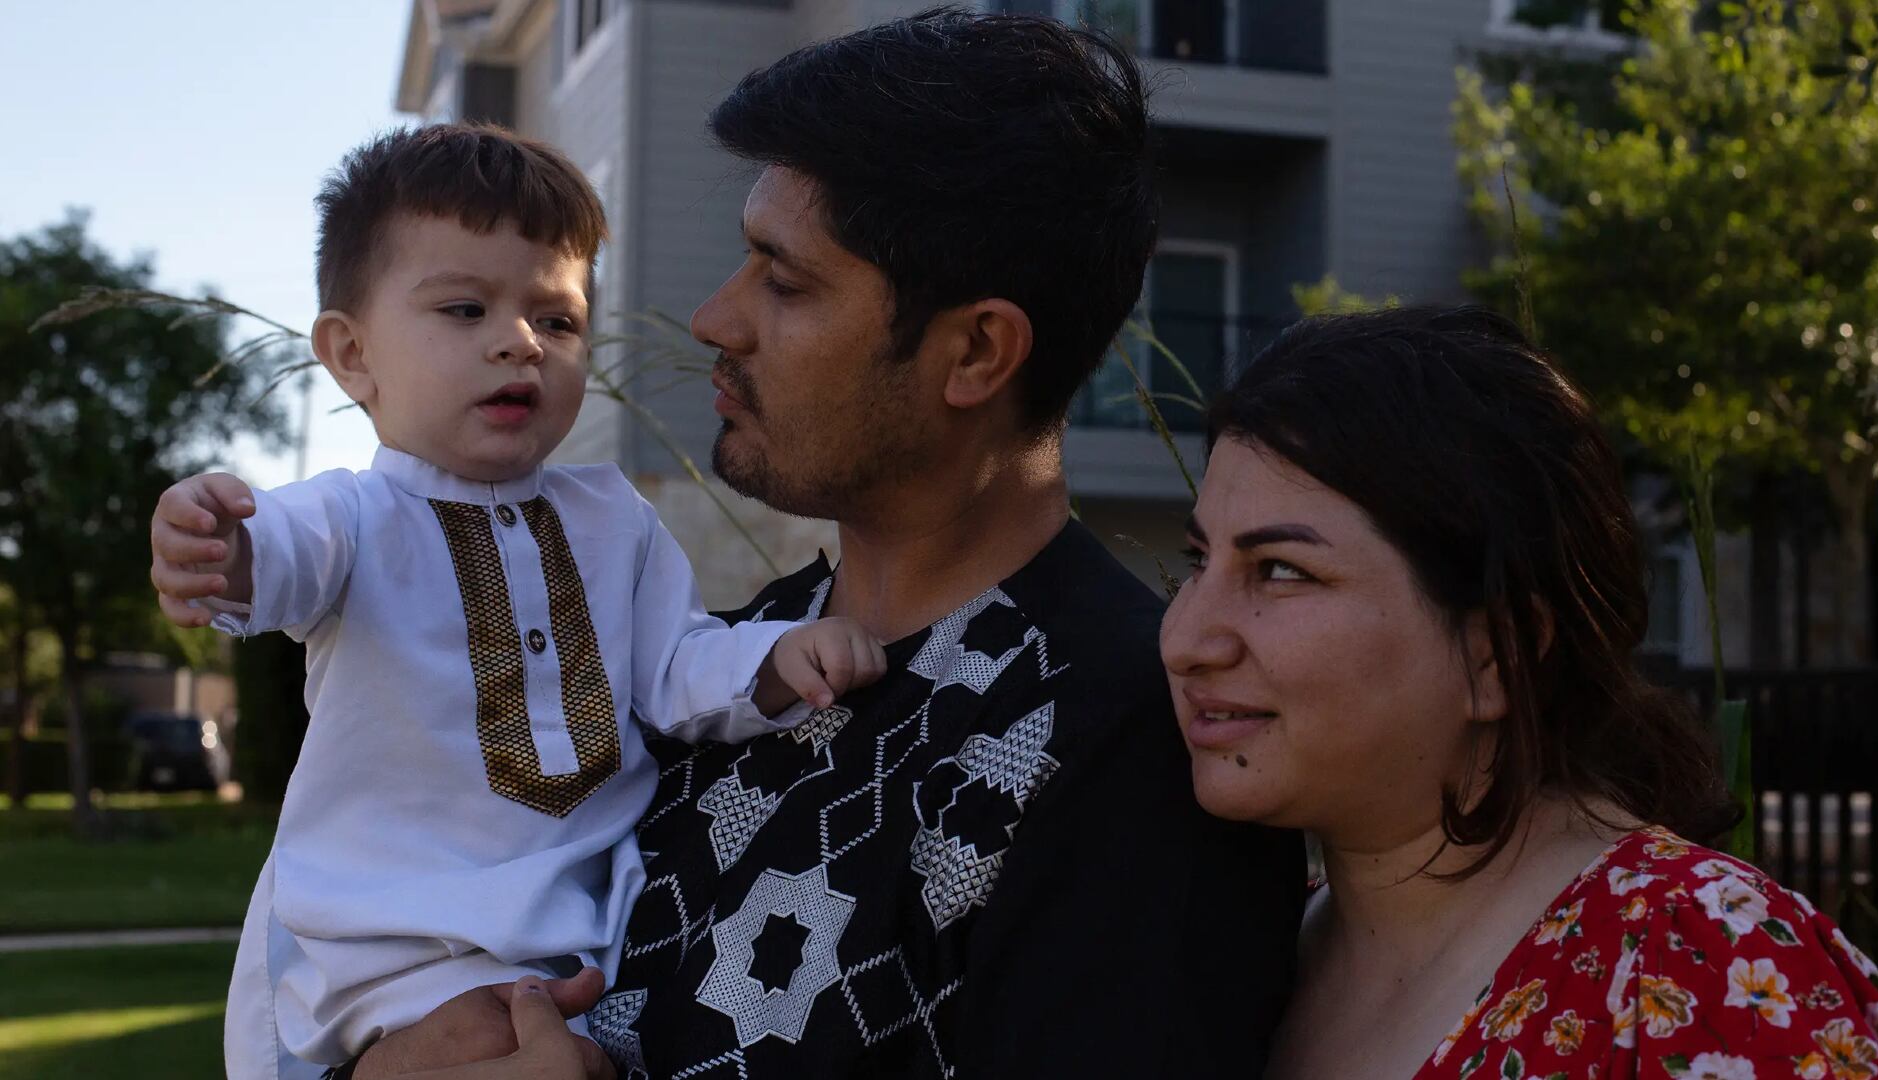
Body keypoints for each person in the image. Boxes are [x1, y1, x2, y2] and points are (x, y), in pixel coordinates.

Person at [351, 10, 1305, 1080]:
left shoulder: (1130, 752)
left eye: (784, 278)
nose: (716, 317)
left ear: (977, 352)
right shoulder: (724, 665)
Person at [146, 123, 887, 1080]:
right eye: (464, 309)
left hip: (578, 931)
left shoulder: (612, 516)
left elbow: (674, 666)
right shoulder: (355, 516)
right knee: (492, 1049)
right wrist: (218, 541)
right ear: (352, 354)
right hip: (397, 944)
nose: (519, 343)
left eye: (560, 319)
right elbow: (277, 554)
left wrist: (775, 660)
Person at [1163, 305, 1878, 1079]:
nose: (1187, 640)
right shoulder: (1240, 947)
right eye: (1197, 562)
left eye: (1281, 571)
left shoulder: (1695, 964)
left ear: (1501, 654)